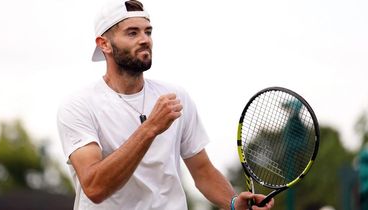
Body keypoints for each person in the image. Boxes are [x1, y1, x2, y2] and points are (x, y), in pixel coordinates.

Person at [57, 0, 274, 209]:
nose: (145, 40)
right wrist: (150, 127)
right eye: (132, 33)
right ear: (104, 44)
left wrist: (234, 203)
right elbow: (95, 187)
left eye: (148, 32)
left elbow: (203, 172)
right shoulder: (78, 106)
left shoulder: (176, 97)